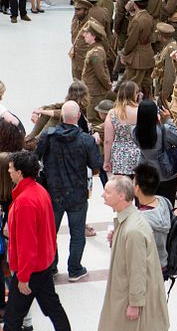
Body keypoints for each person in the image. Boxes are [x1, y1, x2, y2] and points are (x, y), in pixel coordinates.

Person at [3, 151, 71, 331]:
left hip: (31, 270)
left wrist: (23, 277)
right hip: (43, 263)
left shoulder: (25, 201)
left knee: (13, 319)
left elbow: (27, 244)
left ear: (20, 172)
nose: (9, 172)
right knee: (53, 308)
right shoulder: (39, 191)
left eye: (11, 169)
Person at [34, 100, 101, 282]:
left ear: (62, 116)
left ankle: (52, 266)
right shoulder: (86, 140)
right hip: (77, 194)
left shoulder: (48, 136)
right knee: (77, 234)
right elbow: (96, 166)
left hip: (53, 192)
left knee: (50, 234)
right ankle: (75, 269)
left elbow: (34, 159)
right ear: (78, 116)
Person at [98, 176, 169, 331]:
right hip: (124, 293)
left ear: (121, 196)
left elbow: (137, 269)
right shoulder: (130, 221)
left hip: (128, 299)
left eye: (107, 191)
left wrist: (135, 303)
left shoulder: (133, 230)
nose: (103, 194)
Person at [132, 99, 177, 206]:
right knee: (166, 206)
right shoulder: (164, 130)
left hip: (144, 173)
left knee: (145, 207)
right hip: (165, 173)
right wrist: (168, 120)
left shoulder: (134, 131)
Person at [133, 164, 172, 279]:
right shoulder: (164, 201)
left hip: (148, 269)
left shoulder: (140, 219)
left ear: (137, 188)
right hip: (164, 262)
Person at [103, 81, 141, 177]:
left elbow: (108, 140)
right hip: (139, 154)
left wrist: (106, 160)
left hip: (119, 156)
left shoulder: (113, 113)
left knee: (121, 188)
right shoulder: (142, 111)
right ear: (135, 94)